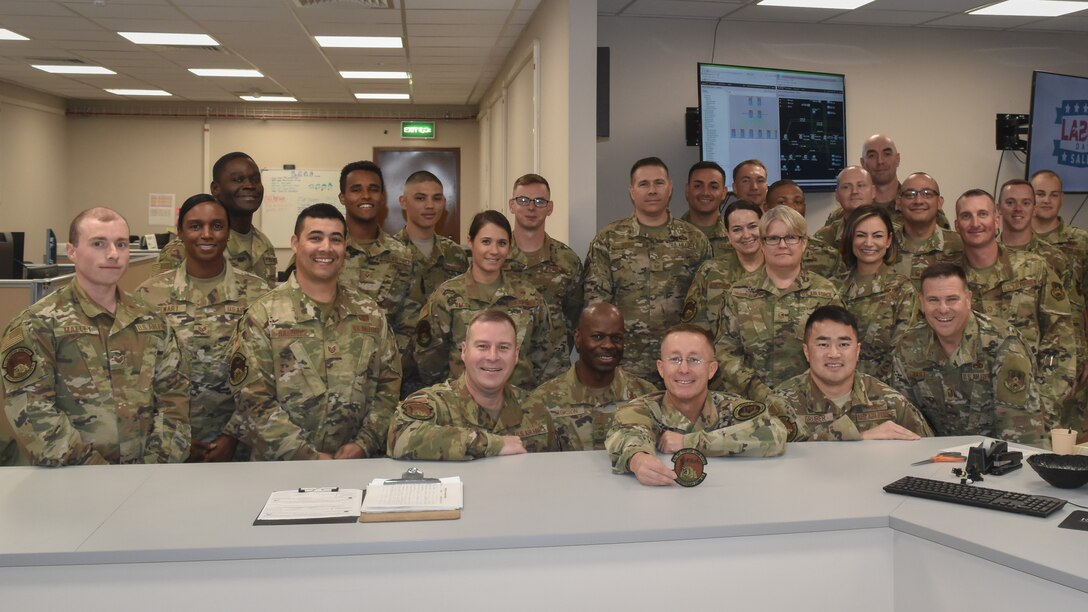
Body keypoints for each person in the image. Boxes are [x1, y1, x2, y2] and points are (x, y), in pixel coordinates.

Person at [1, 207, 190, 465]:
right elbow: (34, 415)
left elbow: (174, 401)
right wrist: (98, 473)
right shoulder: (38, 324)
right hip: (72, 483)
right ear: (71, 251)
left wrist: (154, 467)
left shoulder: (152, 321)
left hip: (148, 480)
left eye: (121, 244)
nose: (113, 254)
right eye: (99, 243)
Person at [228, 203, 401, 460]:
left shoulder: (369, 313)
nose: (326, 248)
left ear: (345, 247)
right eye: (315, 238)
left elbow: (389, 385)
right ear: (296, 243)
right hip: (282, 470)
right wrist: (306, 455)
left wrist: (364, 443)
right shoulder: (263, 316)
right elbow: (253, 401)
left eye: (336, 239)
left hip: (355, 464)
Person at [136, 194, 272, 462]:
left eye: (217, 226)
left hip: (242, 446)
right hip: (165, 446)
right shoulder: (148, 294)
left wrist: (235, 434)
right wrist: (175, 439)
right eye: (196, 226)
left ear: (228, 232)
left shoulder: (259, 294)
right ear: (180, 232)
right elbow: (138, 375)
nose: (207, 234)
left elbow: (269, 375)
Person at [605, 324, 787, 486]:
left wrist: (688, 442)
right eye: (675, 359)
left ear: (711, 369)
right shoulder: (642, 409)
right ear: (661, 368)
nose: (684, 369)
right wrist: (638, 460)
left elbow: (775, 433)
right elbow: (626, 434)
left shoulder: (729, 407)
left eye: (694, 360)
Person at [582, 156, 710, 385]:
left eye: (659, 183)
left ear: (670, 188)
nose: (652, 190)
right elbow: (597, 307)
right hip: (625, 367)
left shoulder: (695, 241)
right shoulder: (608, 240)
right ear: (632, 191)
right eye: (644, 184)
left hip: (681, 366)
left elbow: (705, 309)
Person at [954, 187, 1074, 427]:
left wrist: (1046, 403)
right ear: (957, 226)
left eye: (983, 214)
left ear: (997, 220)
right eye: (966, 216)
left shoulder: (1034, 269)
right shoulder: (948, 279)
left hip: (1029, 411)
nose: (975, 223)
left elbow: (1061, 340)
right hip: (965, 414)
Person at [892, 263, 1045, 447]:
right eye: (933, 300)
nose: (943, 309)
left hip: (997, 460)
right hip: (936, 459)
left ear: (968, 299)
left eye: (952, 299)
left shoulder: (1003, 343)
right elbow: (907, 424)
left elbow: (1022, 432)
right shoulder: (909, 345)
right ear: (922, 302)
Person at [415, 210, 565, 390]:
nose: (494, 251)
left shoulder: (529, 297)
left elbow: (547, 359)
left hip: (519, 406)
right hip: (462, 406)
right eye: (486, 242)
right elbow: (429, 362)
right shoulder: (447, 297)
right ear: (470, 242)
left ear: (510, 248)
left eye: (501, 243)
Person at [710, 205, 842, 402]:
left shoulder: (825, 294)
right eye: (773, 238)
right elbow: (726, 354)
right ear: (762, 244)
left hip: (811, 404)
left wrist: (798, 396)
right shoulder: (739, 294)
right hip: (750, 405)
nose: (782, 245)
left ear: (804, 242)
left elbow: (836, 353)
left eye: (791, 237)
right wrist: (762, 394)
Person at [389, 310, 557, 460]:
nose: (492, 356)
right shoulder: (435, 404)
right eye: (482, 346)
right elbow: (400, 437)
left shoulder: (535, 410)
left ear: (516, 355)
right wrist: (492, 444)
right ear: (464, 351)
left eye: (503, 347)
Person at [772, 305, 932, 441]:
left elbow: (928, 453)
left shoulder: (891, 403)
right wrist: (860, 438)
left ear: (857, 351)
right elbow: (766, 459)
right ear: (806, 351)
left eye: (843, 344)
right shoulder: (780, 403)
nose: (834, 353)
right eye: (823, 344)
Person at [528, 303, 657, 451]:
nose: (608, 345)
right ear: (577, 339)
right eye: (597, 337)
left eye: (616, 338)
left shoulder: (646, 395)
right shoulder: (542, 400)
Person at [335, 160, 422, 371]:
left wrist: (388, 362)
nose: (366, 196)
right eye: (356, 190)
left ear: (382, 197)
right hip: (331, 368)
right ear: (343, 198)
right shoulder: (327, 250)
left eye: (373, 189)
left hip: (385, 373)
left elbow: (409, 322)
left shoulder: (402, 255)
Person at [154, 152, 278, 283]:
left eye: (255, 179)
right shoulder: (185, 248)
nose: (250, 186)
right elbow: (159, 296)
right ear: (215, 188)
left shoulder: (264, 244)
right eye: (238, 180)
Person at [505, 173, 584, 357]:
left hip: (551, 372)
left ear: (550, 208)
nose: (531, 207)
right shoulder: (495, 255)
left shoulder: (568, 260)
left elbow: (575, 318)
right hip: (502, 368)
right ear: (512, 205)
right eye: (523, 200)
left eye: (540, 201)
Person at [837, 205, 918, 380]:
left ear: (888, 240)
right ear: (851, 238)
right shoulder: (833, 287)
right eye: (861, 235)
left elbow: (902, 353)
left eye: (877, 236)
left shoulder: (902, 288)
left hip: (883, 392)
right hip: (835, 386)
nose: (869, 243)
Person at [683, 200, 764, 332]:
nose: (746, 235)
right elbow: (694, 329)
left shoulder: (780, 269)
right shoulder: (710, 272)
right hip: (719, 351)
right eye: (737, 229)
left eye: (752, 226)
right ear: (728, 234)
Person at [393, 170, 469, 302]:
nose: (430, 205)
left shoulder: (456, 254)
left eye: (437, 198)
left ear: (444, 202)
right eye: (420, 198)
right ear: (403, 202)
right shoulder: (388, 253)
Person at [888, 172, 963, 289]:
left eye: (927, 194)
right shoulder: (886, 245)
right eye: (910, 194)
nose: (918, 201)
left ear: (939, 202)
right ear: (899, 203)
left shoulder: (960, 245)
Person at [814, 166, 875, 246]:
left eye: (861, 185)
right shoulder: (822, 238)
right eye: (846, 187)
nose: (854, 191)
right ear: (837, 195)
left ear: (873, 192)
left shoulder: (893, 232)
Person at [681, 161, 731, 255]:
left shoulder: (737, 234)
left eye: (713, 187)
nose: (705, 193)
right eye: (698, 186)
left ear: (724, 193)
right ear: (687, 190)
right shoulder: (669, 236)